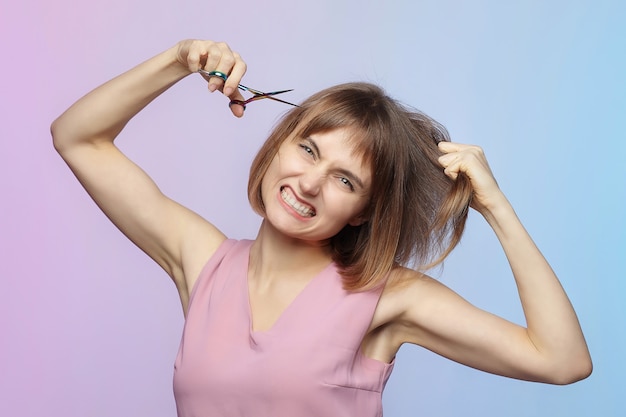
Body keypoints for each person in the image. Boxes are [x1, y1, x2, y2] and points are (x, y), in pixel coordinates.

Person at [51, 39, 592, 417]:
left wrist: (496, 207)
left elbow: (562, 360)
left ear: (362, 211)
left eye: (345, 180)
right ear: (279, 143)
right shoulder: (204, 262)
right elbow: (77, 137)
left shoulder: (386, 297)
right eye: (307, 150)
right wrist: (178, 60)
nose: (309, 183)